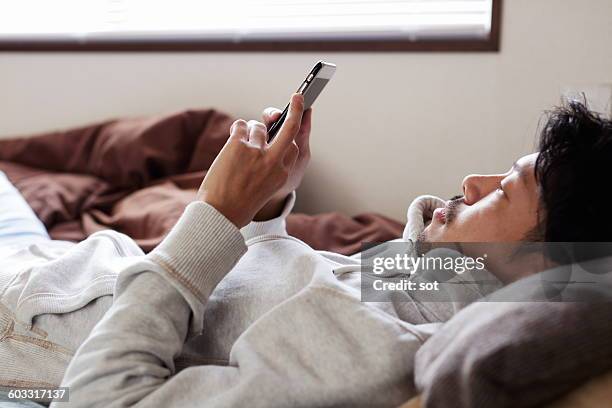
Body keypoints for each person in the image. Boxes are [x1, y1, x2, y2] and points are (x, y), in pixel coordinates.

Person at [0, 97, 609, 407]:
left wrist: (214, 215)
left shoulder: (370, 351)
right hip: (61, 265)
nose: (472, 184)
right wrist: (266, 210)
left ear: (547, 268)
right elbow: (255, 302)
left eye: (503, 191)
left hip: (19, 316)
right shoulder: (432, 279)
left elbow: (105, 395)